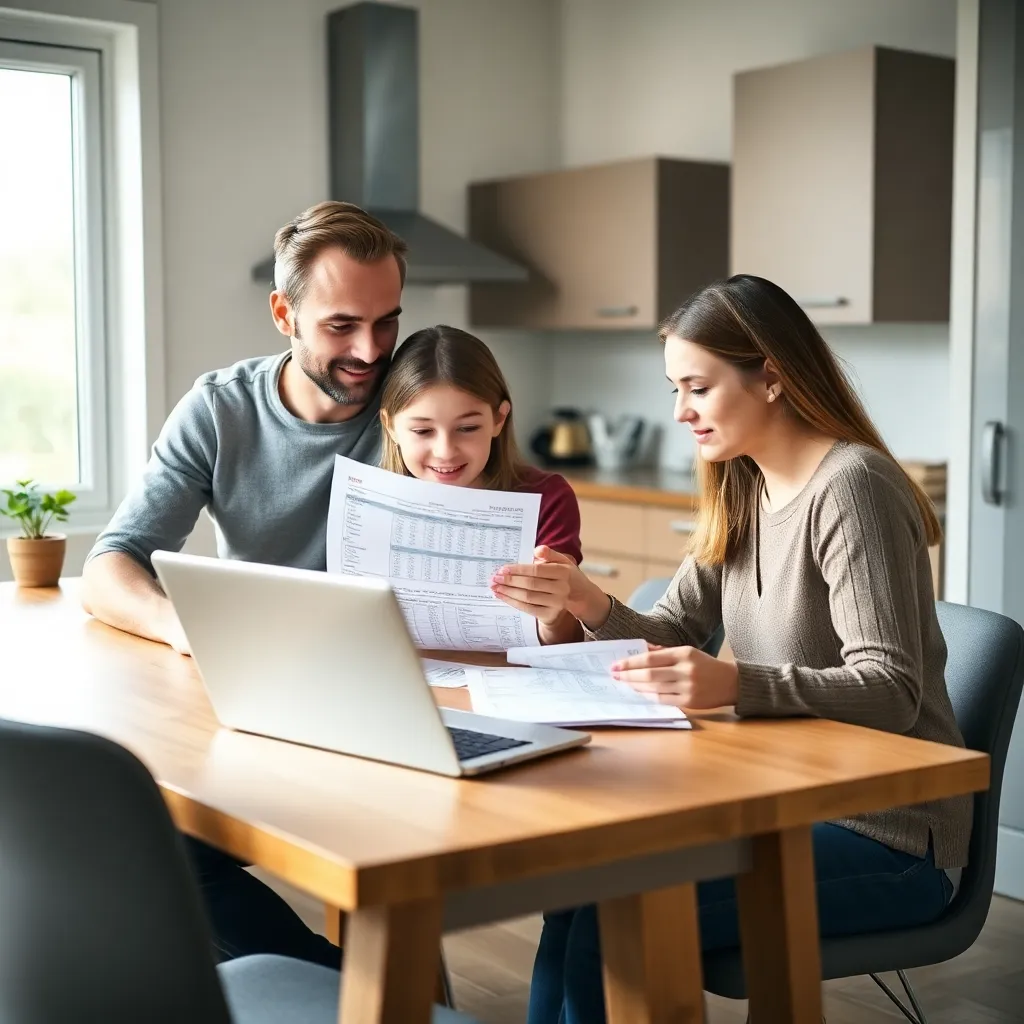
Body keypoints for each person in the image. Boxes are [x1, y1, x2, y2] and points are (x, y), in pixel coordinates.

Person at [488, 274, 971, 1024]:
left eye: (697, 388)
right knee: (575, 888)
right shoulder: (742, 484)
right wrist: (587, 600)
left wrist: (735, 683)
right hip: (777, 799)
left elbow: (891, 687)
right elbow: (672, 630)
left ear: (771, 377)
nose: (679, 412)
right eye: (676, 389)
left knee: (620, 917)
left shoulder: (853, 488)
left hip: (890, 834)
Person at [81, 199, 408, 969]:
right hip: (261, 711)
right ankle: (341, 989)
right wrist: (183, 629)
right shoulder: (221, 409)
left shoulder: (413, 397)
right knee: (136, 842)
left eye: (387, 320)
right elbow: (111, 562)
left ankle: (363, 994)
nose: (371, 349)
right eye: (341, 326)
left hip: (393, 709)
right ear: (282, 314)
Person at [379, 325, 583, 645]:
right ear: (390, 426)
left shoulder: (547, 499)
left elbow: (566, 640)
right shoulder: (371, 501)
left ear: (499, 420)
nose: (445, 451)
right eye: (422, 431)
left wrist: (553, 616)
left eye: (468, 428)